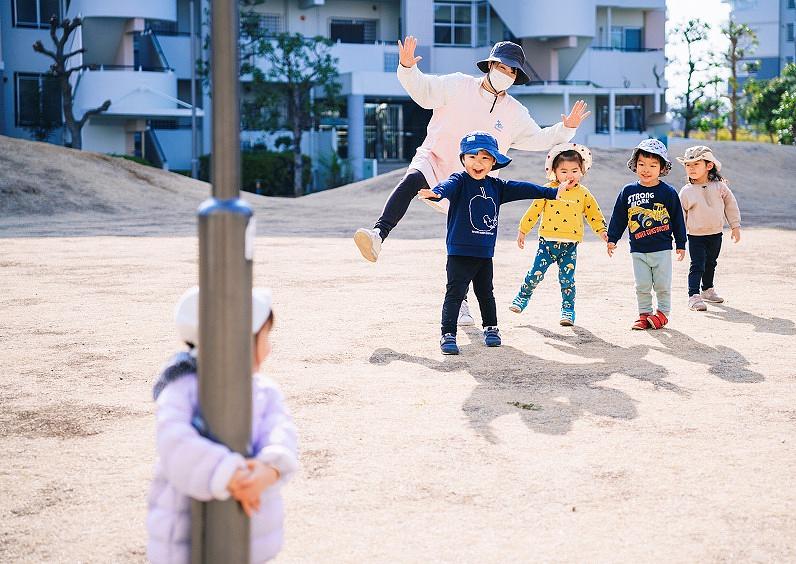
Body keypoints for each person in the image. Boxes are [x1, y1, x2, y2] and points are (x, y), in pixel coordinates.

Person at [353, 36, 591, 324]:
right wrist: (406, 67)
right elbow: (424, 91)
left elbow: (538, 138)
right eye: (503, 67)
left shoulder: (514, 112)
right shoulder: (457, 84)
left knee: (465, 243)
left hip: (475, 181)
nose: (507, 75)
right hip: (436, 157)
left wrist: (565, 129)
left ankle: (462, 303)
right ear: (490, 65)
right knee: (411, 180)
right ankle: (378, 235)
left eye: (513, 71)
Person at [147, 287, 298, 563]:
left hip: (251, 529)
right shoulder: (182, 389)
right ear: (237, 341)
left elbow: (282, 430)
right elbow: (174, 442)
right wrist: (230, 473)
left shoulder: (264, 390)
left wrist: (271, 468)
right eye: (265, 338)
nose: (270, 348)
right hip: (188, 535)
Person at [417, 131, 565, 355]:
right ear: (463, 159)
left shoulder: (497, 186)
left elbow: (523, 188)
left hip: (485, 253)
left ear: (494, 162)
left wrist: (550, 193)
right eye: (473, 157)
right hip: (459, 252)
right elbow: (445, 187)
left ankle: (491, 328)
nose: (478, 162)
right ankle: (448, 334)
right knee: (455, 293)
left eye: (485, 158)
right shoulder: (459, 181)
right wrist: (436, 193)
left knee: (486, 292)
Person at [510, 143, 608, 326]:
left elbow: (594, 214)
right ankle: (522, 296)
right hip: (547, 243)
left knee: (567, 280)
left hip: (570, 245)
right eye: (563, 171)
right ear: (554, 172)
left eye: (574, 170)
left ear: (582, 171)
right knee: (536, 273)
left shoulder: (584, 194)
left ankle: (568, 310)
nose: (569, 175)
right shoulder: (549, 190)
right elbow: (534, 210)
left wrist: (602, 231)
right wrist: (523, 230)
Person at [606, 139, 687, 330]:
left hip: (662, 249)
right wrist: (612, 238)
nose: (646, 169)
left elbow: (677, 219)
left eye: (652, 165)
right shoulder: (628, 191)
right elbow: (619, 216)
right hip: (638, 249)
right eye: (641, 164)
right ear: (635, 164)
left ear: (662, 168)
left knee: (662, 285)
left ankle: (663, 313)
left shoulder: (668, 192)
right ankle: (644, 314)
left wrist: (681, 243)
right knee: (641, 285)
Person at [676, 145, 741, 311]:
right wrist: (680, 240)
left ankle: (707, 290)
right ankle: (693, 295)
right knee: (697, 264)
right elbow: (679, 216)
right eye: (688, 165)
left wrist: (735, 225)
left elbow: (730, 205)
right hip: (696, 236)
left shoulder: (719, 187)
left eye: (696, 164)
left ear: (709, 166)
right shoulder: (686, 191)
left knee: (711, 263)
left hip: (716, 234)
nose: (691, 168)